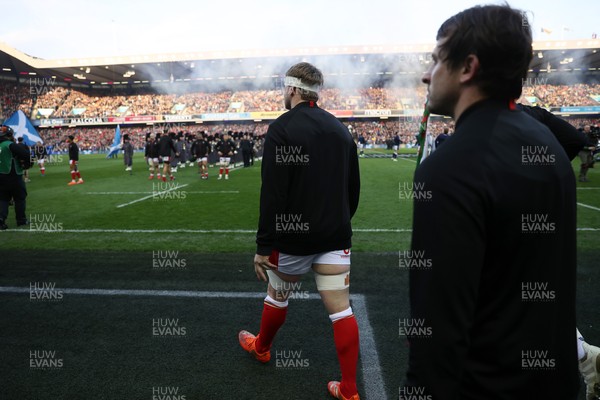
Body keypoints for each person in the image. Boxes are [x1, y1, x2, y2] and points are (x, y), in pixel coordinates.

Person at [403, 5, 579, 399]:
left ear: (467, 67)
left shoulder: (451, 167)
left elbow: (438, 331)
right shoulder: (547, 145)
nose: (426, 74)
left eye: (435, 60)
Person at [238, 62, 361, 400]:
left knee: (277, 296)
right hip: (334, 235)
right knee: (341, 309)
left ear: (292, 89)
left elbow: (273, 193)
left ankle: (261, 348)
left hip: (293, 238)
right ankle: (349, 390)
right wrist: (338, 220)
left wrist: (264, 246)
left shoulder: (282, 128)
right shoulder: (339, 129)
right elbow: (353, 188)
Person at [0, 126, 30, 230]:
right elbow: (26, 154)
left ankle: (1, 220)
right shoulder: (9, 144)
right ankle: (21, 220)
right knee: (20, 198)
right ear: (9, 135)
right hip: (13, 175)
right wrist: (25, 163)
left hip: (1, 176)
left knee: (3, 199)